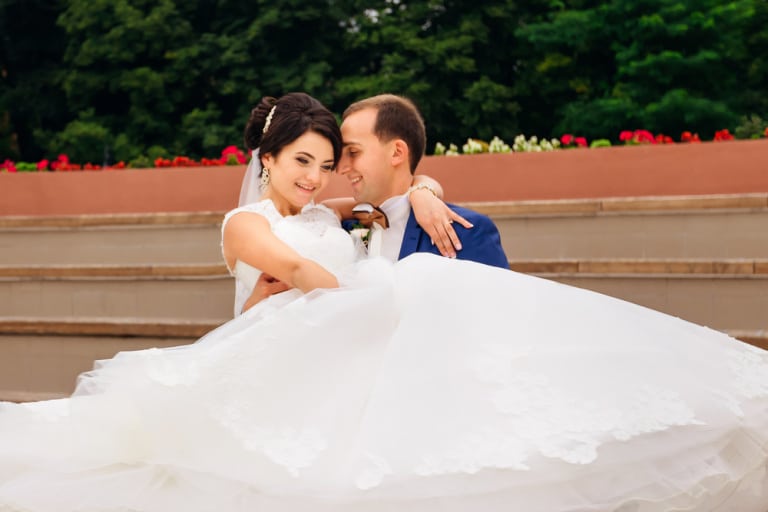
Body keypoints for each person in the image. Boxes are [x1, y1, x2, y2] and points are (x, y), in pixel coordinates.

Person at [1, 92, 767, 512]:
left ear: (390, 156)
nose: (325, 175)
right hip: (307, 368)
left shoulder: (352, 217)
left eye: (335, 161)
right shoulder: (260, 222)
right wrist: (368, 280)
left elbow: (489, 315)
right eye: (306, 161)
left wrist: (428, 191)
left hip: (401, 395)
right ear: (266, 158)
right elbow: (300, 277)